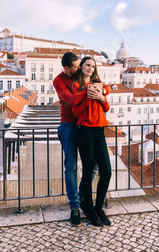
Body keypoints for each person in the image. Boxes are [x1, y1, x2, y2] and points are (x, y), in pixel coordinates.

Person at [53, 52, 109, 227]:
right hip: (70, 125)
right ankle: (75, 207)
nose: (80, 68)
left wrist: (102, 92)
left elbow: (105, 88)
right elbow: (70, 100)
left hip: (91, 127)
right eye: (77, 66)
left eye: (81, 65)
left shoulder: (82, 79)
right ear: (67, 68)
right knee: (71, 168)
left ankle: (85, 198)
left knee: (92, 167)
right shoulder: (60, 80)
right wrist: (89, 91)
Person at [72, 56, 112, 227]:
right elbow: (76, 111)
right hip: (85, 130)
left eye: (93, 66)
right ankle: (88, 208)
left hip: (99, 129)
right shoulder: (76, 85)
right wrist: (89, 96)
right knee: (88, 171)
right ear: (81, 66)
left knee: (107, 170)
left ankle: (98, 207)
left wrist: (102, 96)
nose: (90, 68)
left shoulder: (99, 84)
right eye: (87, 65)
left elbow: (106, 107)